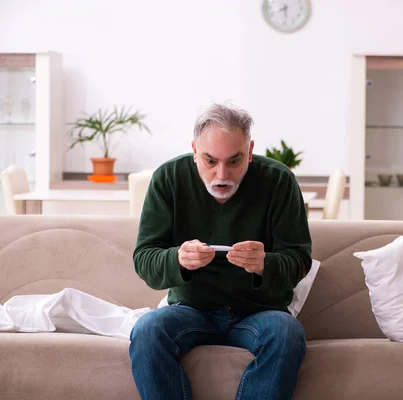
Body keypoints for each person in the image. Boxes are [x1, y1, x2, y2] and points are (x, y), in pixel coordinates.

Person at [128, 102, 313, 400]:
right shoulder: (168, 179)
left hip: (259, 313)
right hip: (190, 311)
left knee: (287, 333)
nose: (221, 174)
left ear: (250, 151)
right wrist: (178, 259)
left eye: (235, 161)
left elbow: (299, 259)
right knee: (147, 330)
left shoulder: (279, 181)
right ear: (194, 150)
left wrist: (265, 264)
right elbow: (145, 259)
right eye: (210, 161)